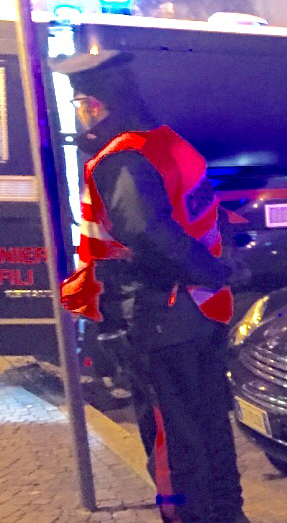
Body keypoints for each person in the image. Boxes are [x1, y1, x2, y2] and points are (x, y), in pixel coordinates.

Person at [54, 49, 248, 523]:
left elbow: (145, 232)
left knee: (170, 436)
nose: (80, 115)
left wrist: (204, 271)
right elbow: (203, 214)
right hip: (203, 309)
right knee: (209, 423)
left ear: (99, 105)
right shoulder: (168, 143)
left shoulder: (119, 160)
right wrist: (216, 272)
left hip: (158, 313)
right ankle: (228, 513)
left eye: (81, 105)